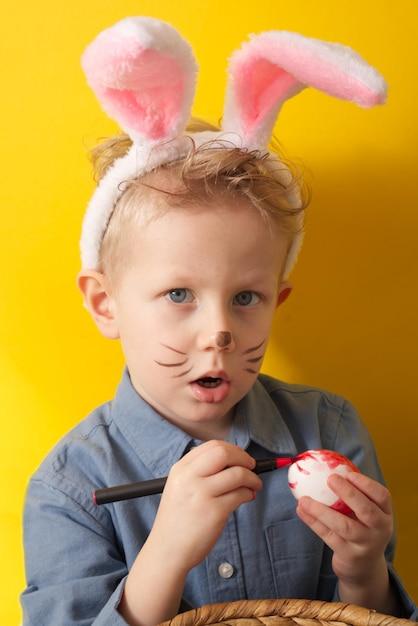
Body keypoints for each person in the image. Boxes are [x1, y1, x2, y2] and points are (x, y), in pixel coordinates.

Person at [20, 16, 417, 626]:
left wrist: (362, 567)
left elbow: (369, 616)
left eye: (246, 297)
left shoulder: (329, 429)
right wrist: (168, 551)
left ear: (278, 301)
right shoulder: (71, 488)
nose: (220, 331)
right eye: (179, 292)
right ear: (106, 304)